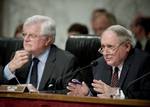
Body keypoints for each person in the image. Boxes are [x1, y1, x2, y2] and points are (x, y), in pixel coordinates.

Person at [67, 25, 150, 99]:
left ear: (127, 46)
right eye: (103, 47)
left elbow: (146, 95)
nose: (105, 53)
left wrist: (117, 94)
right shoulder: (99, 65)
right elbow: (100, 96)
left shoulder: (143, 62)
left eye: (110, 47)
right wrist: (88, 94)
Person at [0, 15, 78, 94]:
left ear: (48, 39)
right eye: (24, 34)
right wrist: (9, 69)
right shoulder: (17, 56)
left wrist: (40, 94)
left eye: (32, 36)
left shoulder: (66, 61)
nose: (26, 39)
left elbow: (71, 93)